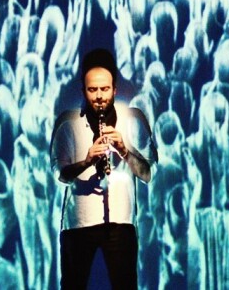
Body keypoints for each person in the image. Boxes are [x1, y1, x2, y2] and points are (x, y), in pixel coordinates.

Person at [51, 48, 156, 289]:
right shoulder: (68, 122)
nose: (99, 97)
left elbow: (149, 174)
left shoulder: (133, 119)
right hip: (78, 224)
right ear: (83, 91)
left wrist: (125, 151)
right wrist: (87, 161)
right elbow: (59, 173)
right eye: (92, 90)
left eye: (105, 89)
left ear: (115, 89)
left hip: (121, 223)